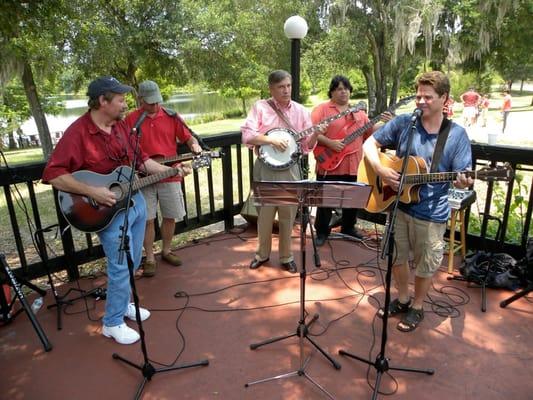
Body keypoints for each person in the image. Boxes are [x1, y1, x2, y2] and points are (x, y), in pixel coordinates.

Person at [42, 76, 191, 345]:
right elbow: (53, 174)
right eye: (120, 100)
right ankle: (112, 322)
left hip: (134, 203)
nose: (126, 105)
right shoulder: (78, 133)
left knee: (132, 261)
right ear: (103, 101)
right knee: (121, 266)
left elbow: (142, 161)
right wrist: (93, 192)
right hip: (105, 212)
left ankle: (123, 305)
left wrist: (172, 171)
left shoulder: (122, 126)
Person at [363, 71, 473, 332]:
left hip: (432, 211)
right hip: (399, 205)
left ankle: (418, 306)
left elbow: (463, 173)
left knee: (426, 263)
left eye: (428, 97)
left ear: (444, 98)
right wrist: (380, 169)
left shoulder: (456, 135)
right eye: (418, 96)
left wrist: (464, 180)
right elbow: (369, 143)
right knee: (398, 257)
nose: (421, 101)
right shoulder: (405, 123)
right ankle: (402, 299)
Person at [241, 70, 324, 273]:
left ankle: (286, 256)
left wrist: (317, 134)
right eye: (281, 87)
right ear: (271, 89)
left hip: (290, 170)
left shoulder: (301, 111)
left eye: (288, 86)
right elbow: (247, 135)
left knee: (287, 216)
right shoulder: (260, 107)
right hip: (265, 169)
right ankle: (262, 254)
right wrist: (270, 140)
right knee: (264, 216)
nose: (286, 90)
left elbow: (306, 147)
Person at [125, 80, 202, 277]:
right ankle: (149, 257)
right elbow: (126, 150)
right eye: (150, 102)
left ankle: (166, 250)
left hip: (170, 174)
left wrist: (195, 146)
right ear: (140, 99)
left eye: (157, 101)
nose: (155, 106)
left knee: (170, 216)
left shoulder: (171, 116)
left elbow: (188, 136)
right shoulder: (131, 120)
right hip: (144, 177)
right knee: (147, 220)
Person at [312, 75, 382, 246]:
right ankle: (322, 231)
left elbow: (369, 133)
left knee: (353, 197)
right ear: (332, 92)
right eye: (338, 88)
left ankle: (348, 226)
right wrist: (330, 143)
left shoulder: (359, 112)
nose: (343, 91)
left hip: (354, 164)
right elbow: (312, 133)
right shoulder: (322, 109)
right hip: (331, 163)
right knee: (326, 198)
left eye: (345, 88)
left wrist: (385, 122)